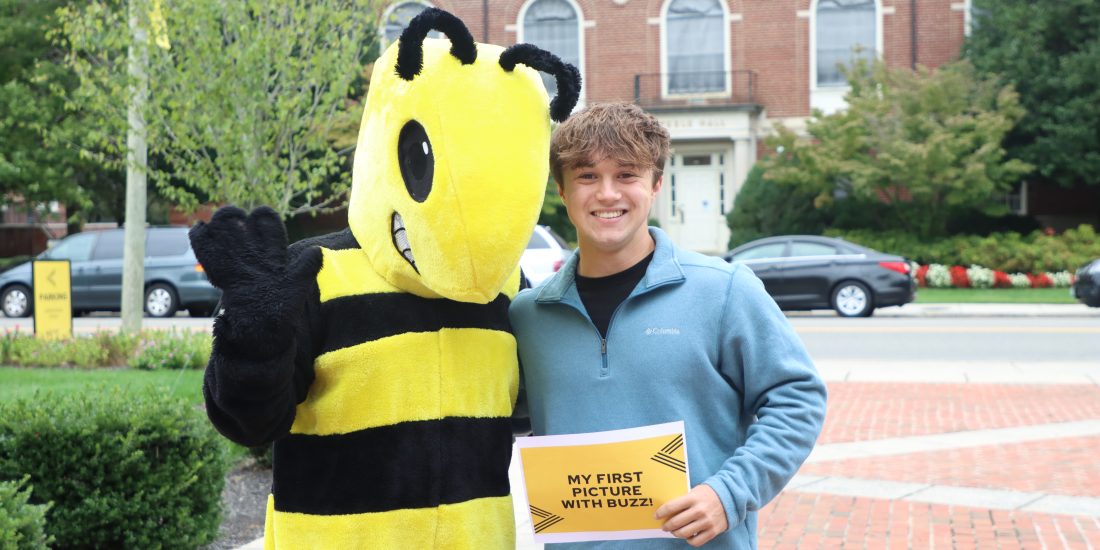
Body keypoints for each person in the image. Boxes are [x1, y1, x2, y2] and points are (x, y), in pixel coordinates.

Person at [509, 102, 827, 549]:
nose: (607, 194)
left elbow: (798, 399)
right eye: (586, 176)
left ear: (656, 184)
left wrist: (728, 493)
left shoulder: (723, 290)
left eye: (626, 175)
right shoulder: (528, 317)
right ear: (561, 190)